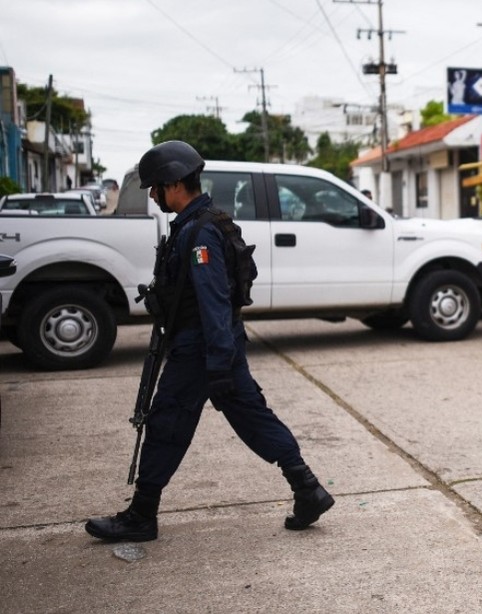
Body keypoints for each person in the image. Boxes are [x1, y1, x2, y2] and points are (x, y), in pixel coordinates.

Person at [85, 140, 333, 542]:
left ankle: (141, 515)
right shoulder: (196, 224)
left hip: (202, 348)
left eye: (156, 187)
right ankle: (307, 488)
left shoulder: (200, 233)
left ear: (175, 183)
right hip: (216, 346)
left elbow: (213, 300)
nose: (152, 195)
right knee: (252, 416)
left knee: (166, 421)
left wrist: (217, 363)